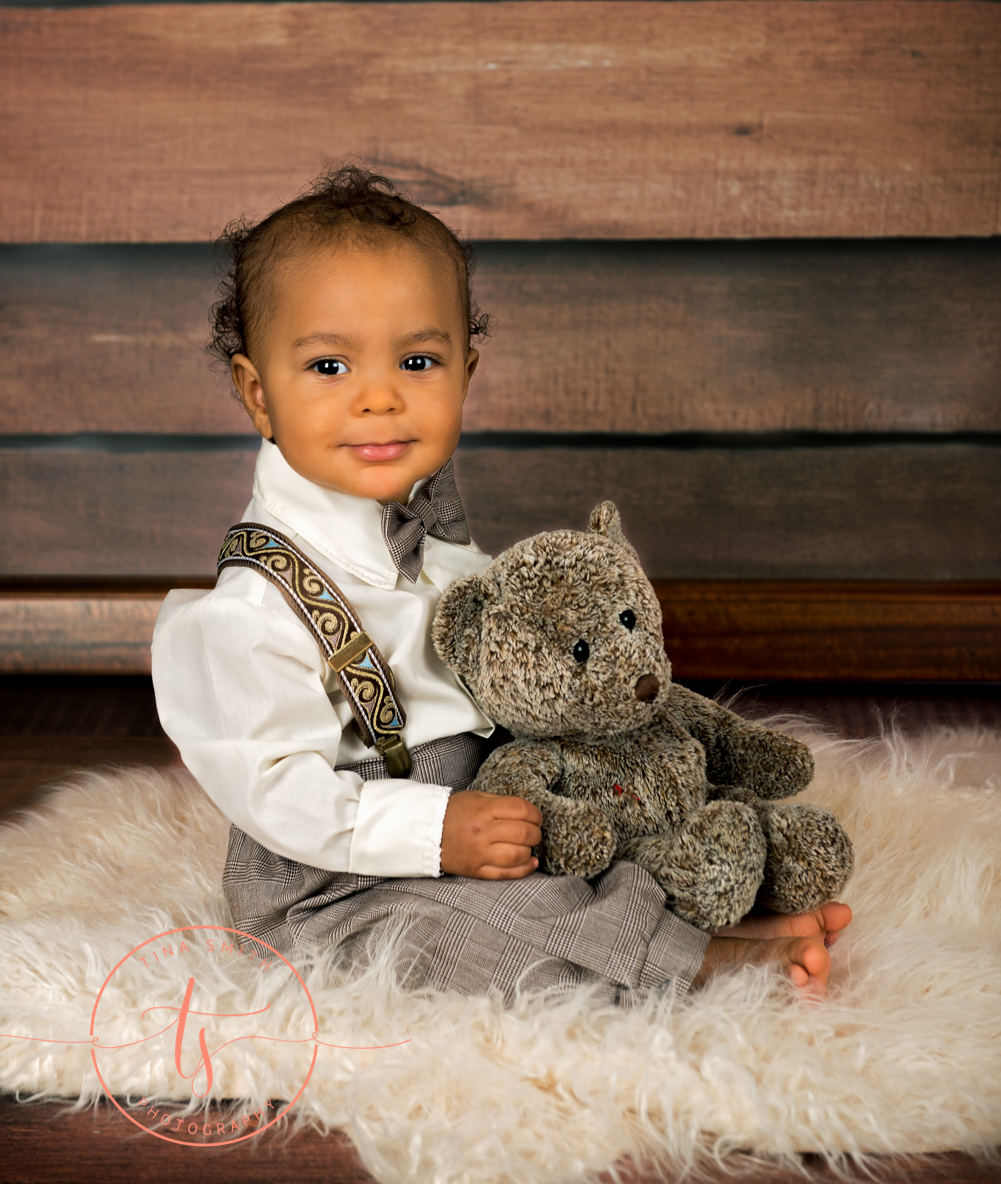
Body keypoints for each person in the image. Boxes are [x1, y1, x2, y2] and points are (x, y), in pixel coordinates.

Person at [152, 165, 850, 1004]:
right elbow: (279, 793)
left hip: (485, 801)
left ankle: (692, 913)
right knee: (478, 929)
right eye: (329, 367)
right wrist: (433, 830)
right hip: (341, 877)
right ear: (258, 395)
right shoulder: (252, 611)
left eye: (416, 360)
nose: (378, 398)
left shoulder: (437, 539)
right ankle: (690, 964)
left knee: (601, 812)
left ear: (466, 374)